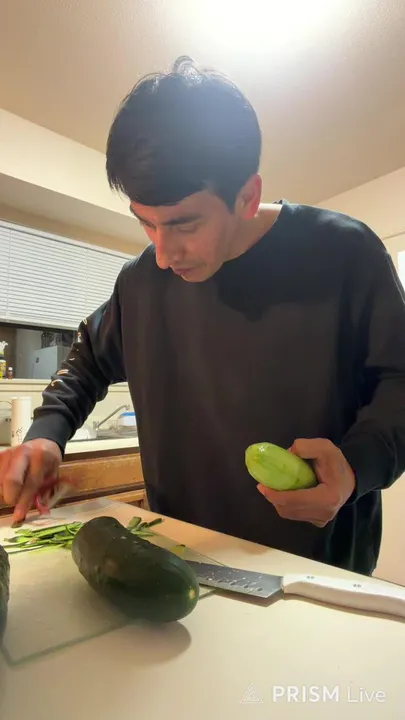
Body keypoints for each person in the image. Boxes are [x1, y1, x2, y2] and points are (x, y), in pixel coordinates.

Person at [1, 56, 405, 577]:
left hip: (319, 569)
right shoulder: (140, 282)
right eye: (146, 224)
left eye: (184, 224)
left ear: (248, 196)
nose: (164, 253)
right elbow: (88, 362)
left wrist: (355, 467)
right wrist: (46, 434)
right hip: (181, 559)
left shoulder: (345, 253)